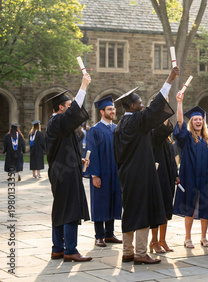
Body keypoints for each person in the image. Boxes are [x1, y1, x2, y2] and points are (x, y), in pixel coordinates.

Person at [114, 67, 178, 264]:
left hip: (126, 175)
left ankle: (127, 252)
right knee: (142, 211)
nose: (142, 106)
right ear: (132, 106)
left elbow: (153, 134)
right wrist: (169, 79)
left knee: (130, 211)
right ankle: (141, 254)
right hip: (140, 174)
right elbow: (155, 106)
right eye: (139, 103)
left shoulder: (120, 127)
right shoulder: (135, 123)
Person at [46, 74, 92, 262]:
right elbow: (74, 113)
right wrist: (83, 86)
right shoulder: (58, 121)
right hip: (65, 174)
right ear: (61, 108)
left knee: (60, 209)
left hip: (61, 172)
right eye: (68, 105)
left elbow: (63, 149)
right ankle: (70, 250)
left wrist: (79, 160)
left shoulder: (57, 124)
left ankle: (57, 249)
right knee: (71, 209)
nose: (71, 108)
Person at [173, 97, 208, 249]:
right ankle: (187, 237)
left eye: (200, 119)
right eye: (195, 119)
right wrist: (179, 103)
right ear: (191, 122)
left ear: (203, 122)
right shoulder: (187, 137)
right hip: (190, 176)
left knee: (206, 206)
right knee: (190, 205)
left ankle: (204, 237)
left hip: (206, 178)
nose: (198, 121)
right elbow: (179, 123)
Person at [84, 96, 122, 248]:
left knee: (113, 199)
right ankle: (99, 236)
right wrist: (95, 175)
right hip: (101, 173)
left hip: (115, 172)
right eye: (109, 109)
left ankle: (110, 233)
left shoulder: (116, 129)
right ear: (102, 112)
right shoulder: (95, 130)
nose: (113, 111)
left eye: (113, 109)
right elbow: (91, 153)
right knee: (100, 201)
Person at [150, 116, 178, 252]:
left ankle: (162, 240)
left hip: (168, 177)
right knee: (157, 210)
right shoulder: (154, 134)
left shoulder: (167, 139)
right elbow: (161, 130)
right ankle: (154, 241)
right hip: (158, 177)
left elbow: (172, 159)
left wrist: (176, 175)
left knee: (166, 209)